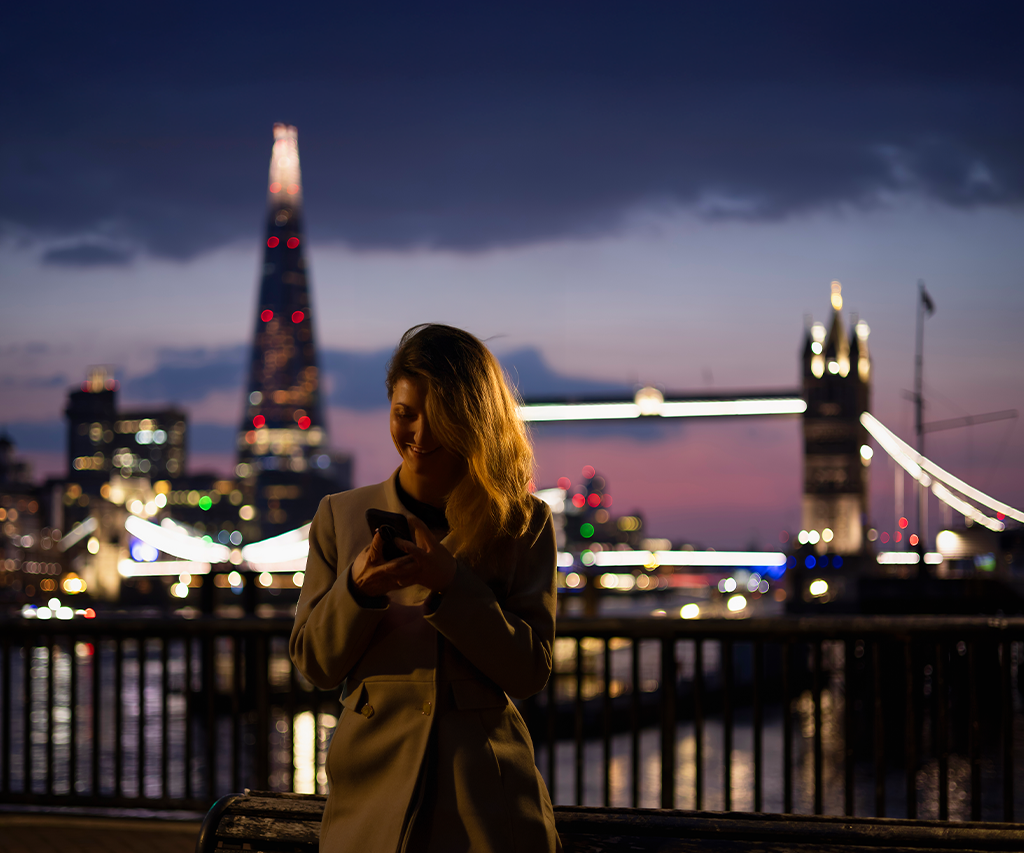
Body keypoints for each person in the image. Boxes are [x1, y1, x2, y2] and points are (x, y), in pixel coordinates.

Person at [290, 324, 561, 853]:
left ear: (472, 420)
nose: (421, 434)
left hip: (486, 796)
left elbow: (529, 671)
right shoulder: (339, 517)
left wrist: (449, 585)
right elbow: (314, 663)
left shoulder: (523, 522)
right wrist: (358, 590)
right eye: (405, 413)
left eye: (440, 416)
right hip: (371, 789)